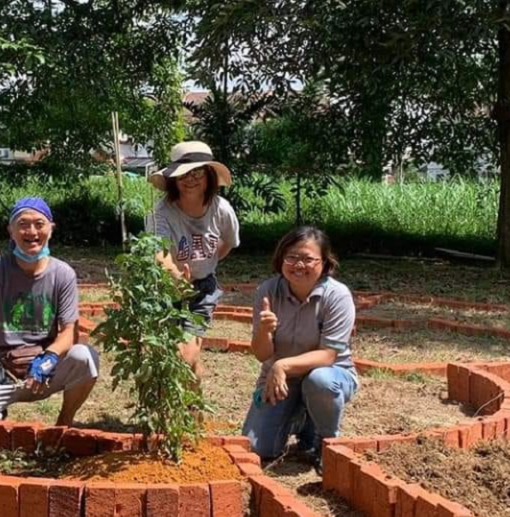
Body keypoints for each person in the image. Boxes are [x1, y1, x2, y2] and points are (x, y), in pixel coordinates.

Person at [0, 197, 99, 425]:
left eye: (39, 224)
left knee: (85, 358)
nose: (31, 231)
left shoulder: (62, 274)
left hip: (43, 369)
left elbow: (70, 331)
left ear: (51, 229)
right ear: (11, 231)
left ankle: (64, 423)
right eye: (22, 224)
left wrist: (49, 358)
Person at [241, 226, 358, 470]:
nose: (298, 265)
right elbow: (262, 354)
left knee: (319, 382)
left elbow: (328, 355)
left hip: (330, 374)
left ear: (324, 263)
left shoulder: (338, 296)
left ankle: (326, 441)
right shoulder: (267, 291)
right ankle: (300, 417)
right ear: (281, 259)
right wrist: (264, 330)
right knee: (257, 447)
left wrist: (282, 364)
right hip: (281, 379)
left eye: (308, 259)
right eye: (291, 257)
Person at [145, 141, 240, 376]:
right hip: (166, 289)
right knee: (168, 356)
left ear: (208, 175)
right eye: (183, 174)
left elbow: (228, 242)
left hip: (203, 290)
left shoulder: (222, 209)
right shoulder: (161, 212)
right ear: (173, 180)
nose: (190, 179)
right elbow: (160, 253)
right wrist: (176, 276)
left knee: (185, 355)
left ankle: (191, 379)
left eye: (196, 172)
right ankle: (192, 407)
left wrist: (207, 264)